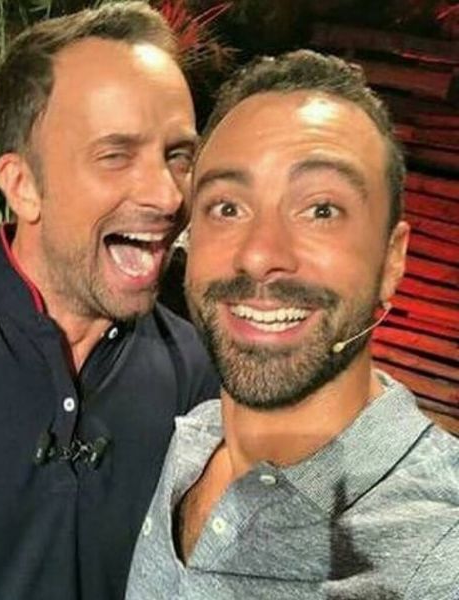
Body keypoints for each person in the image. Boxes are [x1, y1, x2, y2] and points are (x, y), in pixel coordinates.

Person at [0, 3, 219, 599]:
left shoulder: (199, 380)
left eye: (178, 155)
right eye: (116, 155)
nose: (167, 194)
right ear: (23, 185)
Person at [126, 50, 459, 599]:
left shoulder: (439, 545)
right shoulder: (193, 442)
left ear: (391, 260)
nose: (260, 255)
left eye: (321, 210)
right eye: (228, 207)